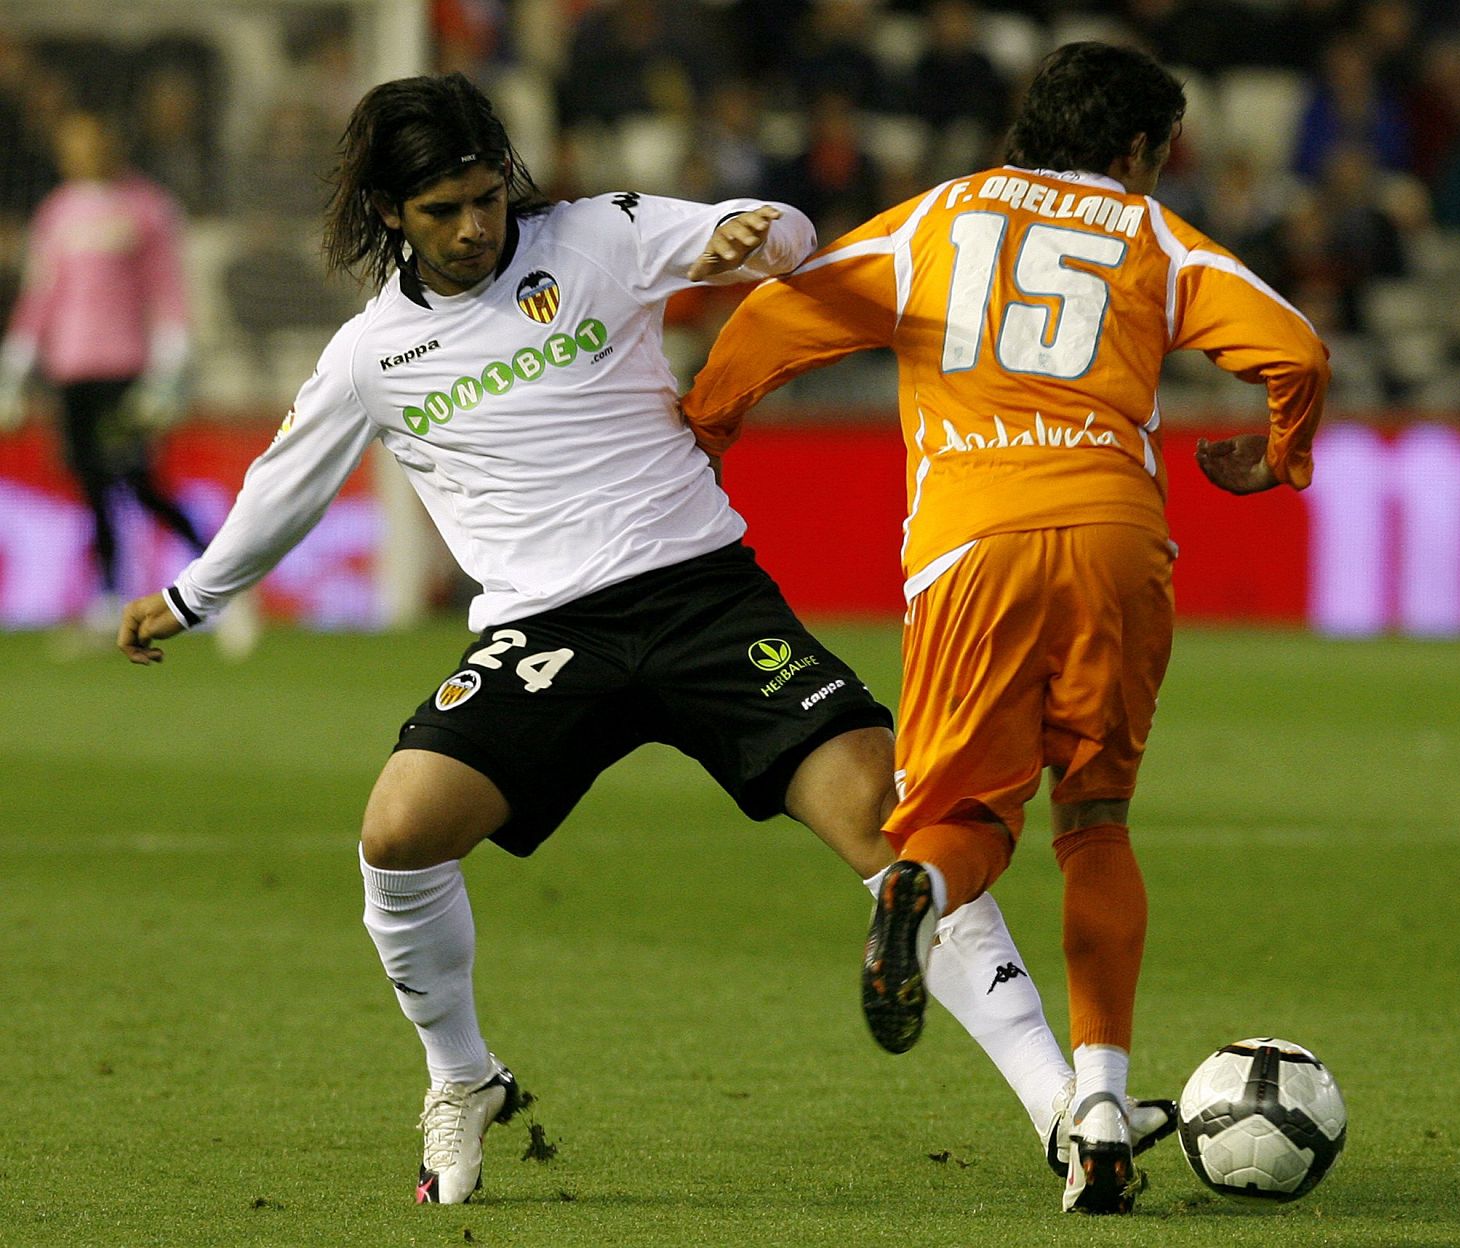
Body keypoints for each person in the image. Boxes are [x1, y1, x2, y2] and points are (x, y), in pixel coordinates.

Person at [116, 72, 1172, 1209]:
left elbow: (776, 242)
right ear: (388, 214)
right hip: (543, 636)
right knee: (398, 835)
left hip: (704, 600)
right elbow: (286, 487)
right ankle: (462, 1078)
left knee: (896, 828)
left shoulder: (594, 236)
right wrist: (193, 597)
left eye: (487, 197)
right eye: (444, 211)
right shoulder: (372, 356)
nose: (477, 227)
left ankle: (1062, 1109)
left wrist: (753, 235)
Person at [683, 41, 1330, 1214]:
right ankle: (1097, 1104)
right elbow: (1294, 345)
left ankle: (915, 888)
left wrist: (709, 423)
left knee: (959, 819)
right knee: (1094, 818)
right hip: (1113, 537)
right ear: (1137, 153)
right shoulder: (1149, 235)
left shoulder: (933, 221)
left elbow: (784, 310)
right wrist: (1277, 456)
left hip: (968, 548)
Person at [0, 109, 209, 633]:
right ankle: (109, 600)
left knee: (137, 481)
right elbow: (42, 293)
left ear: (110, 146)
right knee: (92, 485)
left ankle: (222, 576)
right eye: (71, 145)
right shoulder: (57, 212)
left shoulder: (147, 207)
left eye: (88, 143)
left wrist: (169, 365)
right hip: (71, 371)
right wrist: (17, 361)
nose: (80, 154)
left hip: (124, 368)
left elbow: (167, 289)